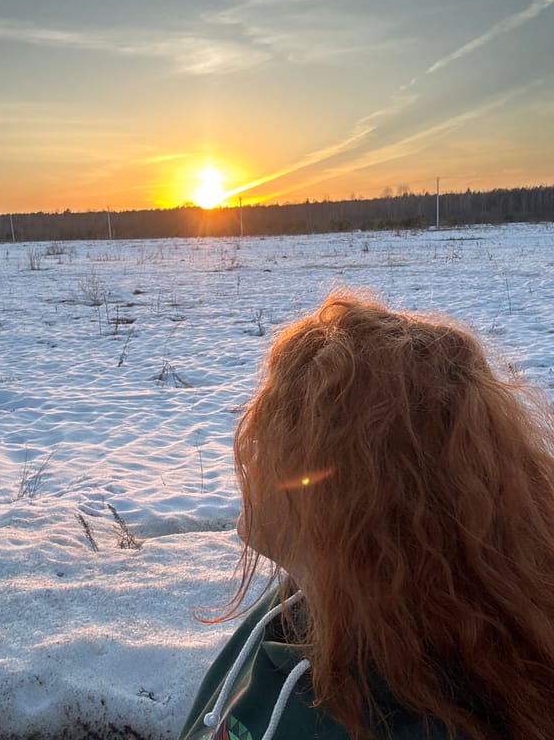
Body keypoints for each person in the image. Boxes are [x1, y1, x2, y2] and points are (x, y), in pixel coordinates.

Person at [179, 292, 554, 740]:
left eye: (279, 442)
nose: (251, 456)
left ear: (355, 495)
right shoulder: (307, 600)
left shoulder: (420, 719)